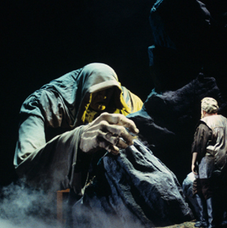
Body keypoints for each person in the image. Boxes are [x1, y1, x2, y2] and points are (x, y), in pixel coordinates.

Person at [13, 62, 143, 198]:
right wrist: (78, 139)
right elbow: (27, 166)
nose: (104, 97)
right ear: (85, 89)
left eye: (109, 91)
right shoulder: (43, 102)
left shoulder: (130, 103)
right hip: (55, 190)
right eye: (98, 91)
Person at [191, 97, 227, 228]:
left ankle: (213, 225)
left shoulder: (205, 124)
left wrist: (193, 162)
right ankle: (208, 220)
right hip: (224, 160)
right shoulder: (226, 121)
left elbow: (198, 146)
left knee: (208, 190)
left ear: (203, 109)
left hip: (209, 161)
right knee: (217, 189)